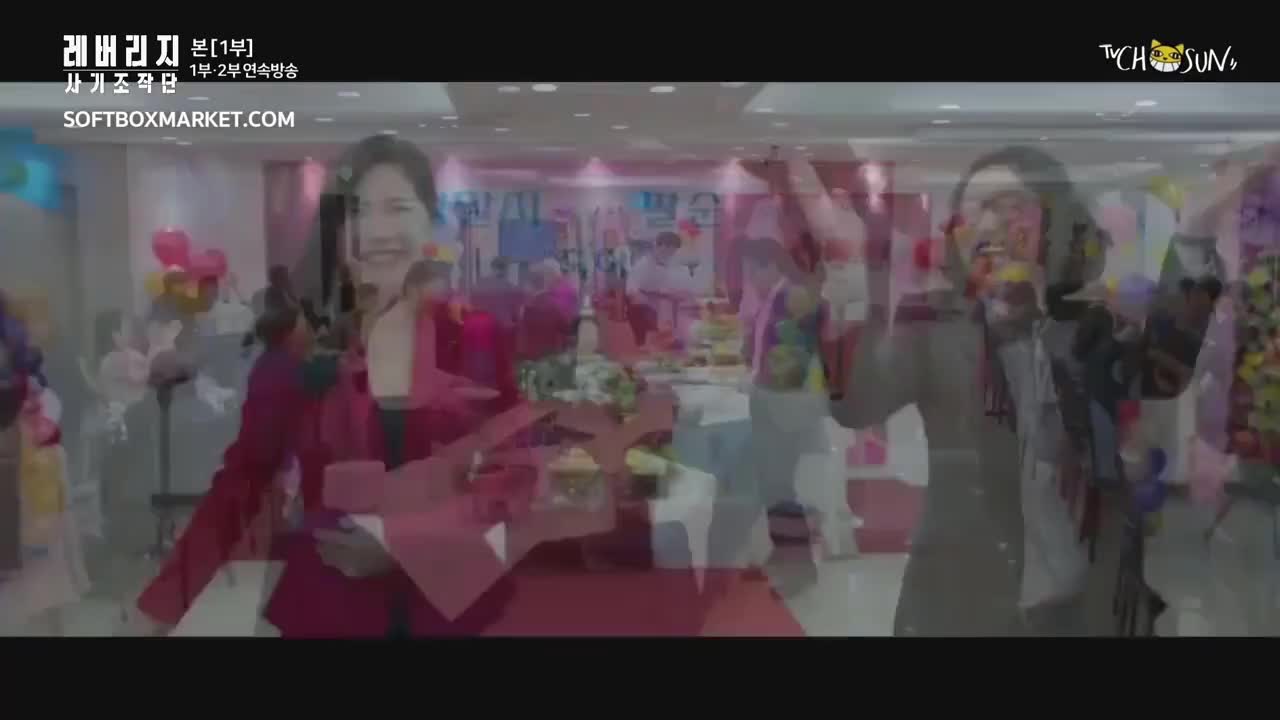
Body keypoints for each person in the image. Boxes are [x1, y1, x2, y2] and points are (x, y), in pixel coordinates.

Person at [123, 135, 519, 637]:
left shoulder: (474, 337)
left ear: (428, 221)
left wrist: (408, 543)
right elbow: (242, 484)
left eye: (397, 208)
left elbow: (515, 474)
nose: (377, 230)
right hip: (330, 607)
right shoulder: (298, 353)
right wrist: (158, 611)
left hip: (450, 607)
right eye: (357, 212)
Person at [797, 146, 1123, 635]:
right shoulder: (932, 319)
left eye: (1009, 205)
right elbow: (856, 406)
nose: (988, 225)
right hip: (960, 593)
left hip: (1081, 603)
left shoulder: (1094, 326)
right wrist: (848, 273)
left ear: (1055, 221)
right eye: (974, 210)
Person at [704, 237, 830, 599]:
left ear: (770, 267)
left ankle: (797, 569)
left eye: (751, 272)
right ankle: (785, 557)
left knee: (778, 488)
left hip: (784, 411)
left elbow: (791, 364)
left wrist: (754, 385)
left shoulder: (792, 300)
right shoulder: (775, 298)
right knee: (773, 487)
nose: (749, 281)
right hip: (773, 405)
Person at [626, 231, 695, 345]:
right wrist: (645, 299)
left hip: (666, 304)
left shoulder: (671, 263)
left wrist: (676, 294)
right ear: (658, 246)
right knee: (652, 335)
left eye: (673, 250)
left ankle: (672, 338)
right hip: (645, 307)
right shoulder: (642, 265)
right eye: (668, 249)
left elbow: (680, 286)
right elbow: (631, 291)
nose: (670, 253)